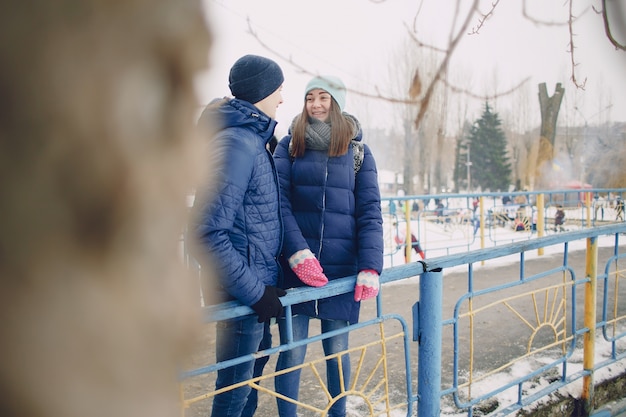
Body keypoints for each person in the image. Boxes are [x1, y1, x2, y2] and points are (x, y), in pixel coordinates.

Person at [272, 75, 384, 417]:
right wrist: (296, 253)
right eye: (310, 98)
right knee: (292, 353)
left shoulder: (358, 152)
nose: (316, 104)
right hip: (296, 271)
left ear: (337, 103)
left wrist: (370, 266)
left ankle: (338, 414)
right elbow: (278, 204)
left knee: (337, 352)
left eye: (324, 97)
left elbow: (370, 212)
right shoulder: (289, 147)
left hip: (340, 271)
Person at [190, 54, 286, 417]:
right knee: (233, 393)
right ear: (262, 91)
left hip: (252, 291)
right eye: (278, 89)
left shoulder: (253, 139)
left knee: (247, 388)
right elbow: (206, 232)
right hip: (239, 296)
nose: (282, 98)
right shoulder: (237, 144)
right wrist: (256, 292)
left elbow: (253, 220)